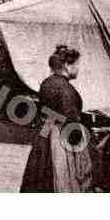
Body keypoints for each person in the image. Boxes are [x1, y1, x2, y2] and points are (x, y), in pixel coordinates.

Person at [20, 45, 93, 192]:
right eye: (76, 64)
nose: (78, 69)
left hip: (44, 134)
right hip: (60, 138)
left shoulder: (46, 83)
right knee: (63, 178)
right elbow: (70, 119)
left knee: (40, 175)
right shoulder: (66, 89)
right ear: (66, 65)